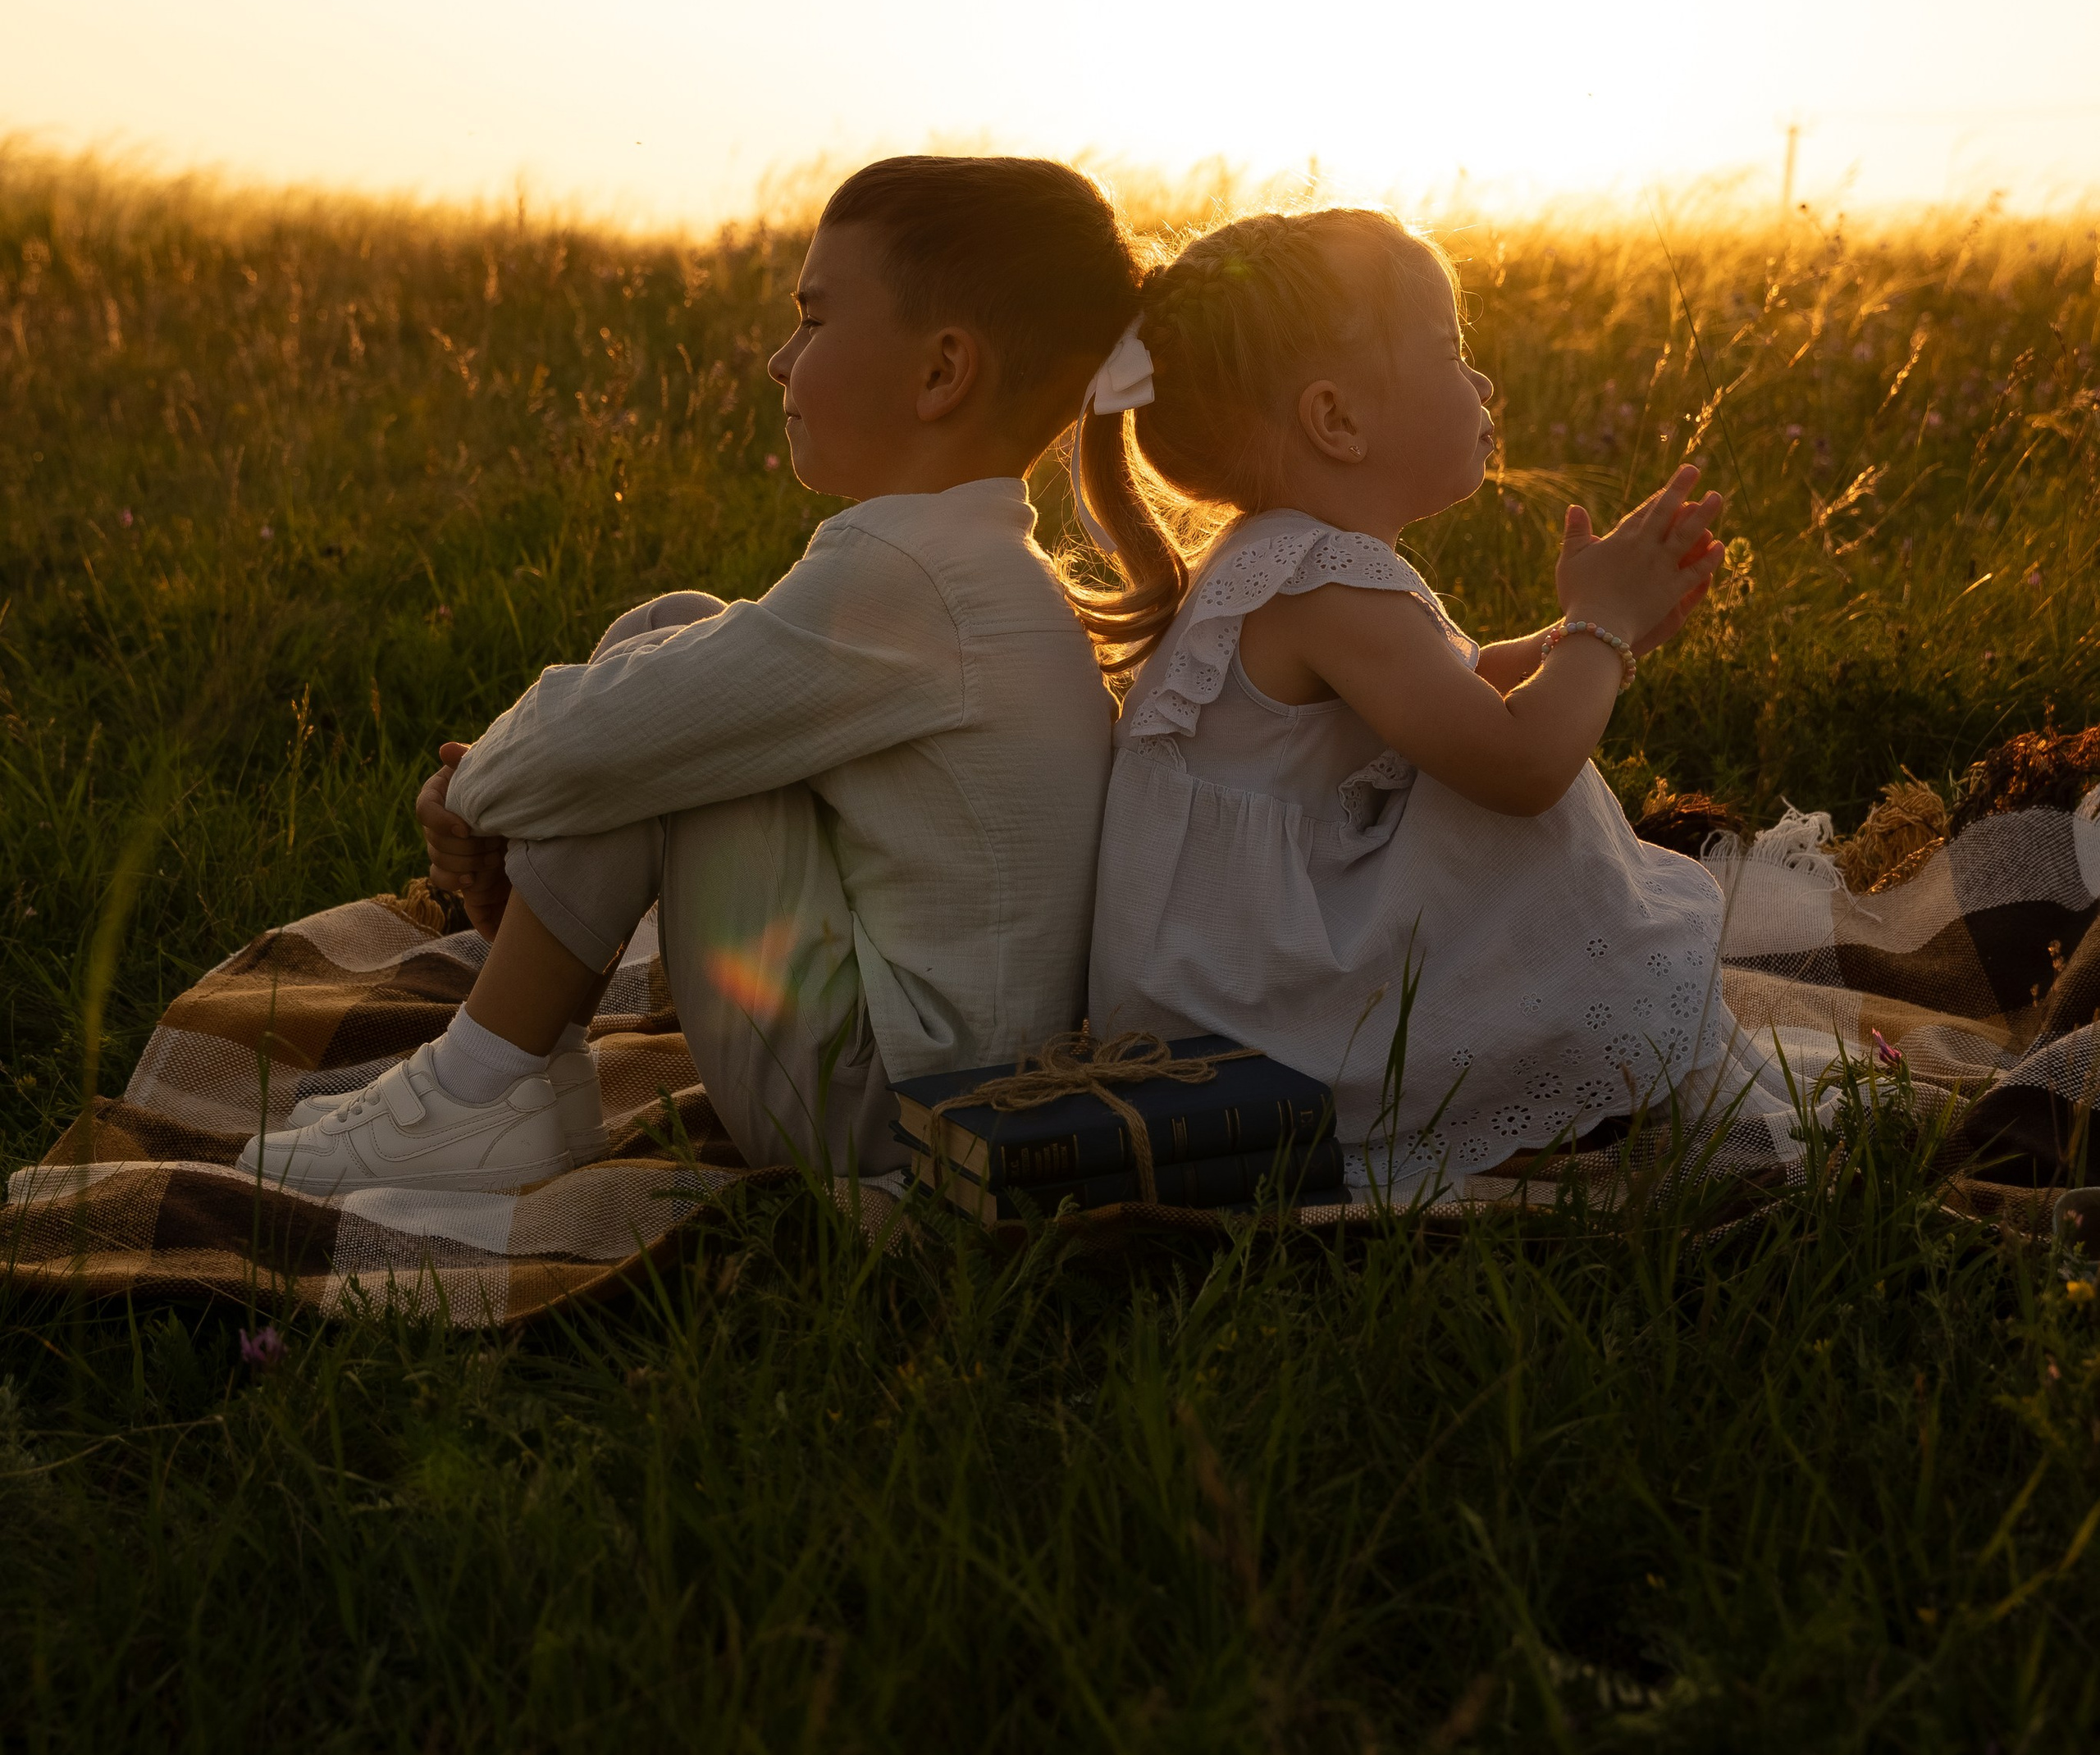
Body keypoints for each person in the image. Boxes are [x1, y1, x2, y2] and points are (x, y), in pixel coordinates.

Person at [240, 156, 1143, 1197]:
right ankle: (516, 1075)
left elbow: (609, 737)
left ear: (942, 372)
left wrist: (471, 794)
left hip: (892, 1118)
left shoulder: (911, 578)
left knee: (663, 728)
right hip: (922, 1077)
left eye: (812, 319)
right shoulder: (964, 562)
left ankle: (477, 1084)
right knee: (678, 640)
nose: (777, 357)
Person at [1075, 205, 1796, 1200]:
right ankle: (1568, 1079)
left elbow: (1449, 700)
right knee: (1544, 814)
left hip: (1216, 993)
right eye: (1453, 353)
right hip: (1258, 1012)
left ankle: (1560, 1082)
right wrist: (1597, 630)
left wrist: (1589, 636)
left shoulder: (1277, 564)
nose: (1483, 381)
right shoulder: (1318, 576)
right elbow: (1518, 768)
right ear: (1337, 420)